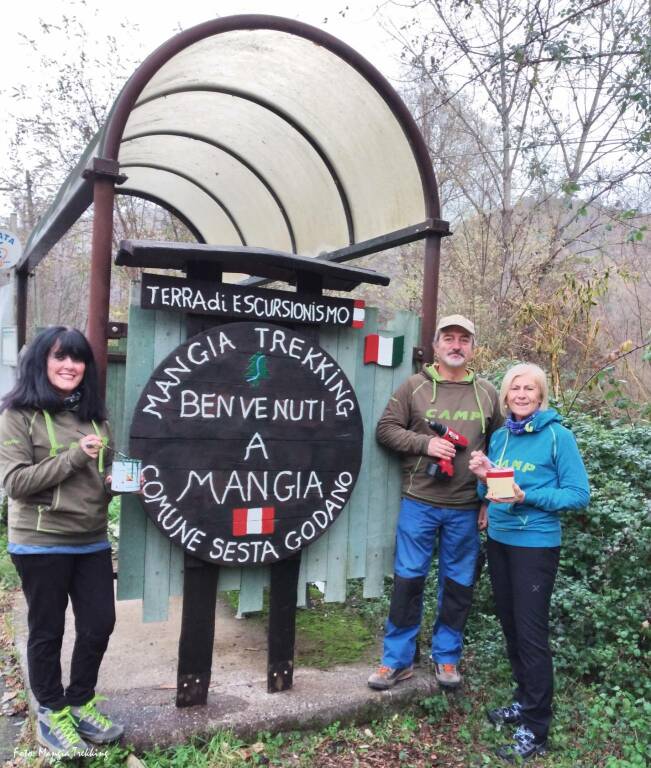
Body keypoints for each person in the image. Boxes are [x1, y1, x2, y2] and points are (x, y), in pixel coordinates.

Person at [0, 327, 124, 756]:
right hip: (40, 541)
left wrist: (116, 483)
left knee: (99, 624)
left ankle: (81, 699)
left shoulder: (95, 417)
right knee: (47, 629)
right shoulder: (19, 415)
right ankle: (52, 711)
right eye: (60, 357)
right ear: (42, 362)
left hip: (90, 538)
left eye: (77, 359)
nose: (70, 366)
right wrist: (74, 457)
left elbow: (96, 482)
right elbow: (14, 483)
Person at [367, 315, 502, 691]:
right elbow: (385, 430)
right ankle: (397, 660)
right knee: (409, 582)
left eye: (464, 339)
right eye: (449, 338)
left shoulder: (488, 393)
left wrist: (489, 497)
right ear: (437, 344)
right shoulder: (414, 387)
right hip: (420, 502)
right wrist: (425, 444)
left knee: (458, 586)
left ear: (473, 347)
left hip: (465, 507)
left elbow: (501, 448)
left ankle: (446, 658)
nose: (456, 345)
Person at [469, 363, 590, 763]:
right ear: (505, 397)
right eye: (514, 389)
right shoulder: (502, 436)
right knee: (511, 627)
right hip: (501, 541)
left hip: (535, 546)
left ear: (540, 396)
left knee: (531, 633)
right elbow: (496, 486)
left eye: (529, 389)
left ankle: (537, 728)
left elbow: (577, 495)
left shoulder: (559, 437)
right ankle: (523, 701)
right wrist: (483, 477)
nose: (520, 395)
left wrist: (528, 497)